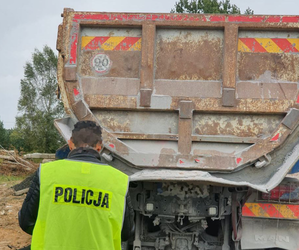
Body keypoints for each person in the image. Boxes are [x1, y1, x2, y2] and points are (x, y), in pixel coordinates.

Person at [19, 120, 134, 250]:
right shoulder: (119, 180)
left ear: (70, 143)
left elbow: (26, 222)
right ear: (99, 146)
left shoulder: (46, 172)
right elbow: (126, 233)